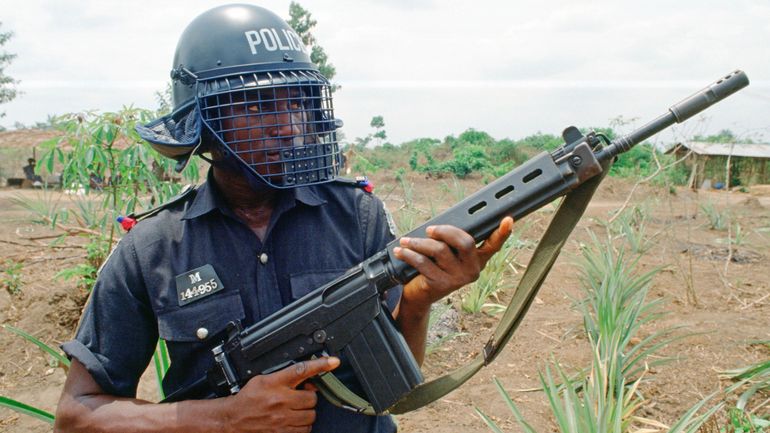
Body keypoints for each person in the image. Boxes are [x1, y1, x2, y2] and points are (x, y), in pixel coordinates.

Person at [53, 4, 513, 433]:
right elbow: (76, 413)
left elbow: (393, 387)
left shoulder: (356, 215)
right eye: (258, 106)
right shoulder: (153, 247)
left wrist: (417, 303)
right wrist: (222, 418)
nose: (288, 125)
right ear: (203, 123)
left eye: (296, 103)